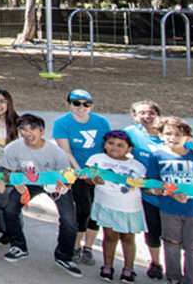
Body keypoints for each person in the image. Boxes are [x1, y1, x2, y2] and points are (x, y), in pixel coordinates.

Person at [0, 113, 82, 277]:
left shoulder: (56, 152)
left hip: (54, 183)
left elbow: (67, 176)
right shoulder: (13, 148)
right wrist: (14, 181)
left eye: (32, 129)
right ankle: (18, 246)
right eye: (23, 129)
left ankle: (64, 256)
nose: (28, 134)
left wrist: (63, 185)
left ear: (42, 131)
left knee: (69, 220)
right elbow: (6, 171)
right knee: (10, 209)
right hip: (26, 182)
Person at [147, 116, 193, 284]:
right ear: (161, 135)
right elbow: (152, 184)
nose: (173, 137)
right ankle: (173, 277)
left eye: (178, 134)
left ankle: (191, 280)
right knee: (171, 244)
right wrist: (169, 193)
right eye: (168, 133)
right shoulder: (156, 156)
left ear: (188, 138)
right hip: (169, 208)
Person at [53, 89, 112, 266]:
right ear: (69, 104)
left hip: (98, 172)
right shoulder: (62, 123)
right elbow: (66, 151)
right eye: (76, 103)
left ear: (91, 105)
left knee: (96, 211)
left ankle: (89, 247)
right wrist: (80, 172)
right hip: (77, 172)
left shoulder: (101, 122)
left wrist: (98, 171)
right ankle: (76, 245)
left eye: (86, 103)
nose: (81, 107)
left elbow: (106, 147)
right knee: (83, 209)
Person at [86, 131, 147, 282]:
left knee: (128, 238)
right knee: (110, 237)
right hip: (106, 205)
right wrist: (93, 180)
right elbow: (88, 178)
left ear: (129, 149)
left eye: (120, 145)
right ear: (105, 144)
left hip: (129, 208)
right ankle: (107, 266)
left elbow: (144, 185)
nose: (115, 147)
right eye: (111, 143)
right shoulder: (96, 159)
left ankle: (128, 268)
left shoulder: (137, 166)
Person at [123, 100, 170, 280]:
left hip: (171, 192)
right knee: (152, 230)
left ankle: (174, 266)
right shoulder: (131, 133)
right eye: (141, 113)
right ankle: (156, 262)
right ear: (134, 116)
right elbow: (114, 146)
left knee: (173, 233)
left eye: (151, 113)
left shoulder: (168, 132)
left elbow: (188, 148)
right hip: (147, 193)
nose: (147, 116)